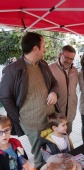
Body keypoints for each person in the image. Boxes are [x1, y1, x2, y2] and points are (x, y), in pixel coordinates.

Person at [0, 32, 58, 169]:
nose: (45, 49)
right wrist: (18, 117)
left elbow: (54, 83)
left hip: (50, 119)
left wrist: (54, 92)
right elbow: (4, 96)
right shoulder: (12, 70)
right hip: (32, 124)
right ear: (35, 48)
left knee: (52, 152)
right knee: (39, 158)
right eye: (43, 46)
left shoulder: (43, 64)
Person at [49, 45, 78, 135]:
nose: (69, 61)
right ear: (60, 54)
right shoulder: (50, 68)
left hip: (70, 114)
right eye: (66, 57)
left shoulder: (74, 70)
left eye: (71, 59)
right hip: (57, 115)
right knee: (57, 140)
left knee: (67, 136)